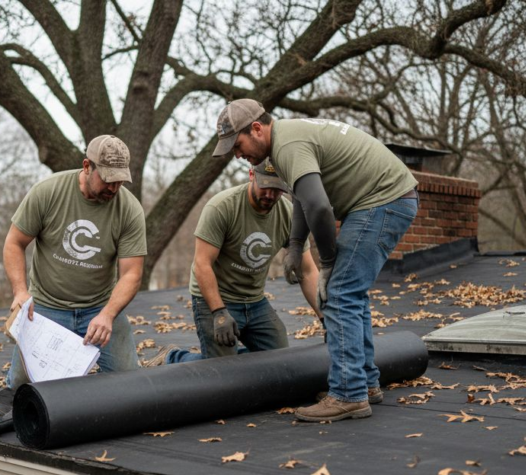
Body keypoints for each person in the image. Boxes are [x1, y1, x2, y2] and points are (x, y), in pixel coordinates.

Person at [212, 99, 418, 422]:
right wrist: (295, 244)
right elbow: (303, 198)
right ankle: (365, 383)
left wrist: (328, 261)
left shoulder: (288, 145)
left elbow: (320, 208)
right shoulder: (284, 144)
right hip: (388, 199)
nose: (238, 155)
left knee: (339, 294)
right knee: (350, 293)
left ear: (256, 128)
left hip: (382, 201)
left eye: (237, 145)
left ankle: (348, 394)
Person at [3, 135, 146, 389]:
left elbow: (131, 274)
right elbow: (14, 243)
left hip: (98, 308)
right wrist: (20, 291)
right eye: (107, 179)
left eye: (119, 181)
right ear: (87, 166)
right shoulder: (48, 192)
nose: (113, 188)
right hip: (47, 307)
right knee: (21, 387)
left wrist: (108, 315)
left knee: (131, 382)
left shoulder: (129, 209)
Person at [149, 159, 321, 366]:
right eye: (265, 186)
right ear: (251, 176)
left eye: (276, 189)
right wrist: (219, 313)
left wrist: (325, 317)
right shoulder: (222, 207)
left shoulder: (288, 215)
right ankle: (172, 357)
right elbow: (202, 264)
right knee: (222, 370)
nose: (269, 195)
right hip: (216, 298)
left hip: (255, 300)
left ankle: (233, 357)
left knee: (281, 361)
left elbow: (309, 271)